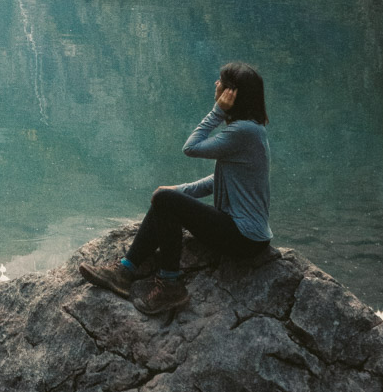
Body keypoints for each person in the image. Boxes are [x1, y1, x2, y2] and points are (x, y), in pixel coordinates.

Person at [79, 61, 272, 316]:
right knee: (165, 199)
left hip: (243, 238)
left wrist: (216, 112)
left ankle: (170, 284)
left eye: (221, 83)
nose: (216, 85)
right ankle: (125, 270)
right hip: (243, 233)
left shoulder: (243, 132)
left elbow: (190, 148)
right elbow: (220, 181)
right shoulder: (251, 130)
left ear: (231, 94)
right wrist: (179, 190)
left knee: (165, 200)